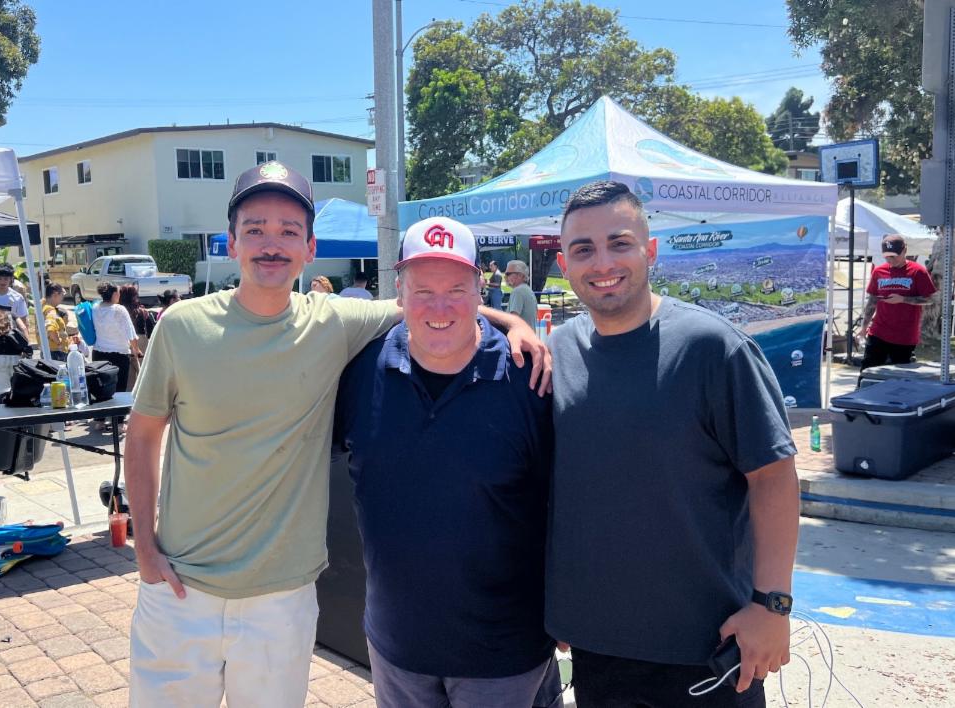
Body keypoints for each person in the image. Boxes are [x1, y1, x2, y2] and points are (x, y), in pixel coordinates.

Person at [125, 161, 546, 707]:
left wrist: (514, 322)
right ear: (231, 242)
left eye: (288, 231)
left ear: (310, 247)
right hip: (181, 585)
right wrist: (144, 548)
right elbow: (142, 435)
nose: (271, 244)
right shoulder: (181, 326)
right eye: (255, 229)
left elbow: (431, 298)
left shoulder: (333, 321)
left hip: (283, 595)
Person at [545, 181, 799, 707]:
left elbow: (773, 477)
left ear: (650, 250)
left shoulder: (714, 348)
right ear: (564, 264)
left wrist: (772, 606)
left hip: (708, 649)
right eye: (583, 249)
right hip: (598, 647)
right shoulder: (558, 351)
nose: (602, 263)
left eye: (619, 243)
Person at [335, 217, 556, 708]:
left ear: (480, 289)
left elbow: (567, 504)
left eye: (456, 290)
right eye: (423, 291)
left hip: (505, 654)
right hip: (396, 648)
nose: (440, 307)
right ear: (398, 292)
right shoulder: (360, 372)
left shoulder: (530, 378)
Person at [858, 234, 938, 370]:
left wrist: (903, 299)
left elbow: (931, 299)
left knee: (899, 376)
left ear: (904, 251)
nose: (890, 260)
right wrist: (864, 326)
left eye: (894, 256)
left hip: (905, 336)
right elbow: (872, 301)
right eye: (887, 256)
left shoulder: (918, 272)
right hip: (878, 332)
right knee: (868, 371)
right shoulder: (879, 271)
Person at [0, 263, 29, 335]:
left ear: (11, 279)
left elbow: (23, 321)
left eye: (6, 279)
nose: (2, 282)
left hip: (10, 336)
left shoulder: (18, 298)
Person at [43, 283, 74, 362]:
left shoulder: (42, 305)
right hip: (56, 352)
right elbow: (51, 330)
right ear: (55, 295)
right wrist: (59, 343)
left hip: (47, 349)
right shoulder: (50, 311)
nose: (62, 298)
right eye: (61, 295)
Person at [505, 259, 538, 329]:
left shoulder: (518, 291)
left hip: (519, 335)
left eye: (508, 274)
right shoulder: (527, 290)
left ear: (520, 275)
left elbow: (513, 319)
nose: (506, 277)